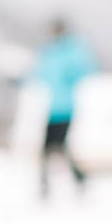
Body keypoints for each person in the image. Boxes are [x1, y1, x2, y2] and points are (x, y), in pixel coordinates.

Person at [30, 17, 96, 198]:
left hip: (66, 108)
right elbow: (39, 74)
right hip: (53, 110)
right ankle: (73, 180)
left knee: (55, 148)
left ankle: (54, 184)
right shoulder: (50, 52)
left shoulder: (72, 50)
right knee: (56, 148)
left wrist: (71, 74)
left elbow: (86, 69)